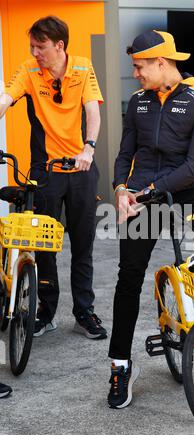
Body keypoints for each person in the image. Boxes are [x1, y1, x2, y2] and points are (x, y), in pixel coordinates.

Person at [107, 30, 194, 408]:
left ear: (161, 63)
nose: (135, 74)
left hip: (183, 195)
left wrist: (149, 191)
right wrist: (120, 189)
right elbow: (124, 153)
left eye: (139, 67)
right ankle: (120, 367)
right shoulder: (137, 103)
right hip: (140, 199)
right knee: (127, 280)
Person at [0, 16, 107, 340]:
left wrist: (88, 148)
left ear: (59, 45)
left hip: (81, 171)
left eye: (40, 46)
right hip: (45, 174)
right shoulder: (29, 71)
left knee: (83, 245)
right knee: (44, 246)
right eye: (32, 45)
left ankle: (84, 312)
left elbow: (92, 111)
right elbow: (5, 100)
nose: (35, 52)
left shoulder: (82, 67)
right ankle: (45, 312)